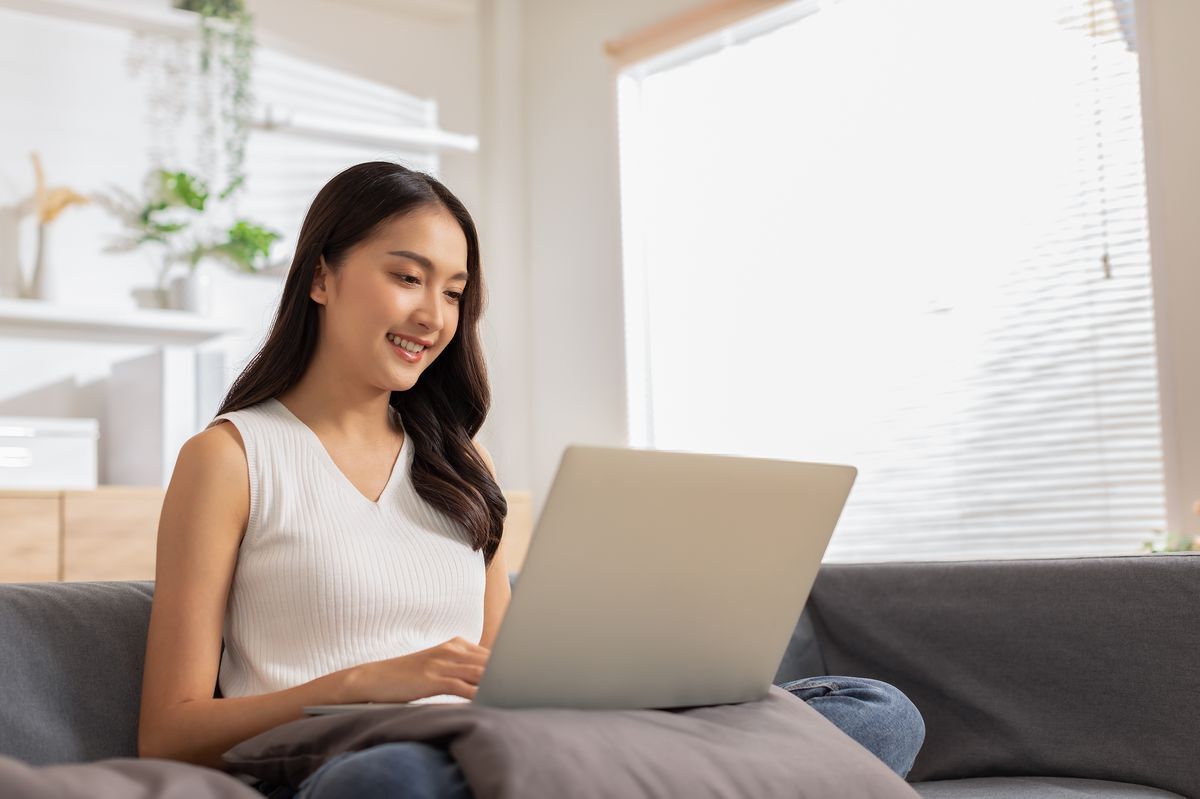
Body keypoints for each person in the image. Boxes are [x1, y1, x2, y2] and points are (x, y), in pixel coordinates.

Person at [137, 161, 925, 799]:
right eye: (408, 278)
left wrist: (617, 671)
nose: (434, 317)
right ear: (320, 277)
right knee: (395, 781)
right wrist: (370, 681)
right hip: (348, 759)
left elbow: (507, 666)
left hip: (503, 742)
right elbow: (168, 731)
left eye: (453, 293)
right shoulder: (232, 456)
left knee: (877, 710)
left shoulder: (458, 466)